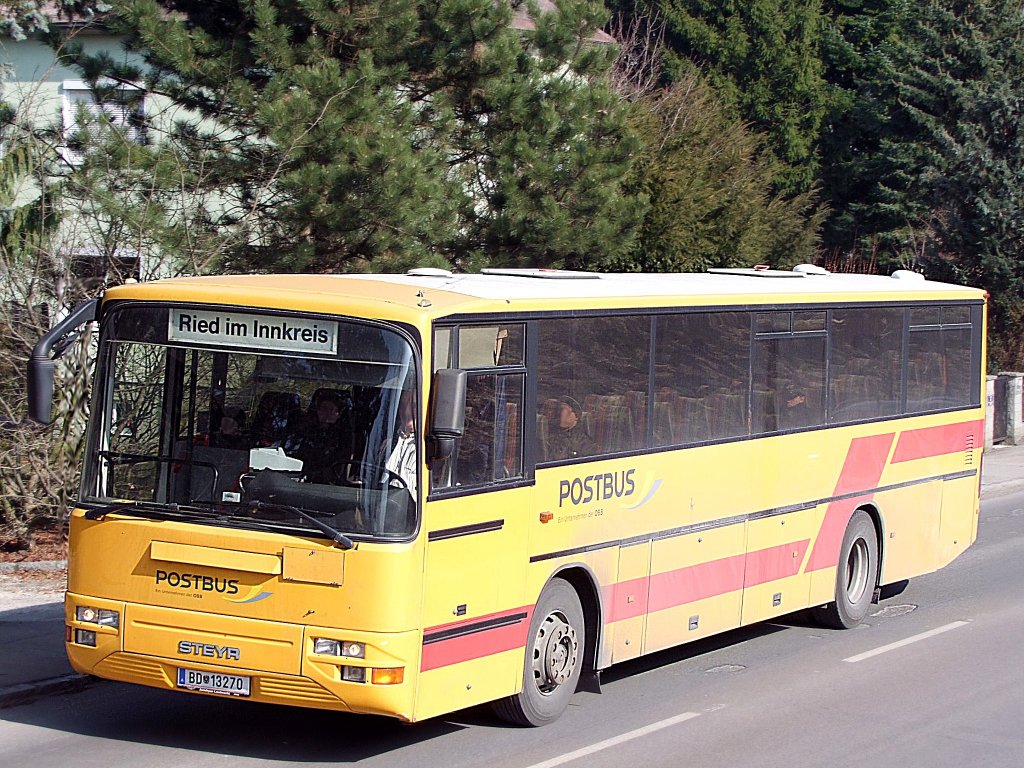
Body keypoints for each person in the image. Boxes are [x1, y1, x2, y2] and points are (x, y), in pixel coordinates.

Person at [545, 396, 596, 461]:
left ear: (576, 416)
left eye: (565, 411)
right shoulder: (547, 433)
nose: (560, 413)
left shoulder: (585, 443)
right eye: (558, 410)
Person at [385, 392, 417, 496]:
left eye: (414, 406)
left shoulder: (433, 447)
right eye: (403, 405)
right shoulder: (388, 440)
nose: (407, 411)